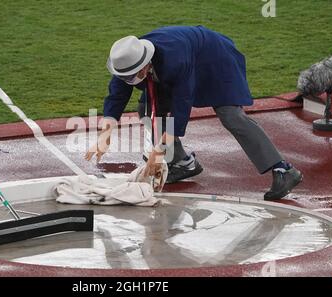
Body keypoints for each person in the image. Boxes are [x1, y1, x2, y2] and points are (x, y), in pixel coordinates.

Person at [85, 26, 303, 201]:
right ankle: (182, 162)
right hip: (180, 63)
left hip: (215, 60)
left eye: (134, 76)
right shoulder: (127, 62)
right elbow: (116, 97)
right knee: (145, 107)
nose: (130, 80)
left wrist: (158, 151)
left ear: (145, 65)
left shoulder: (174, 61)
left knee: (231, 115)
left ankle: (283, 170)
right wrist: (104, 136)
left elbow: (181, 106)